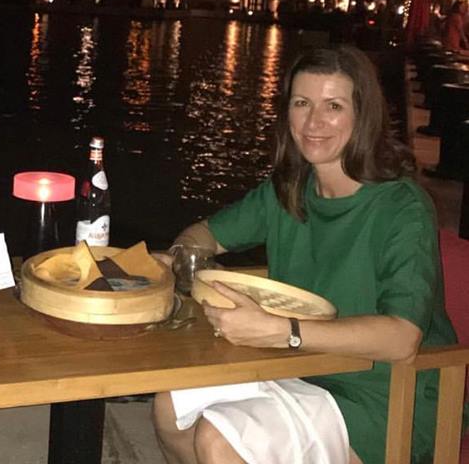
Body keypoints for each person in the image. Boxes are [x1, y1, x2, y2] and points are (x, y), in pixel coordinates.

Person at [152, 45, 459, 464]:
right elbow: (204, 234)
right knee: (170, 406)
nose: (314, 122)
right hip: (302, 366)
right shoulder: (288, 190)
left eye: (333, 106)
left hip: (387, 393)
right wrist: (185, 261)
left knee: (219, 440)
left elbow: (402, 338)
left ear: (363, 115)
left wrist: (285, 332)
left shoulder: (402, 208)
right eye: (301, 103)